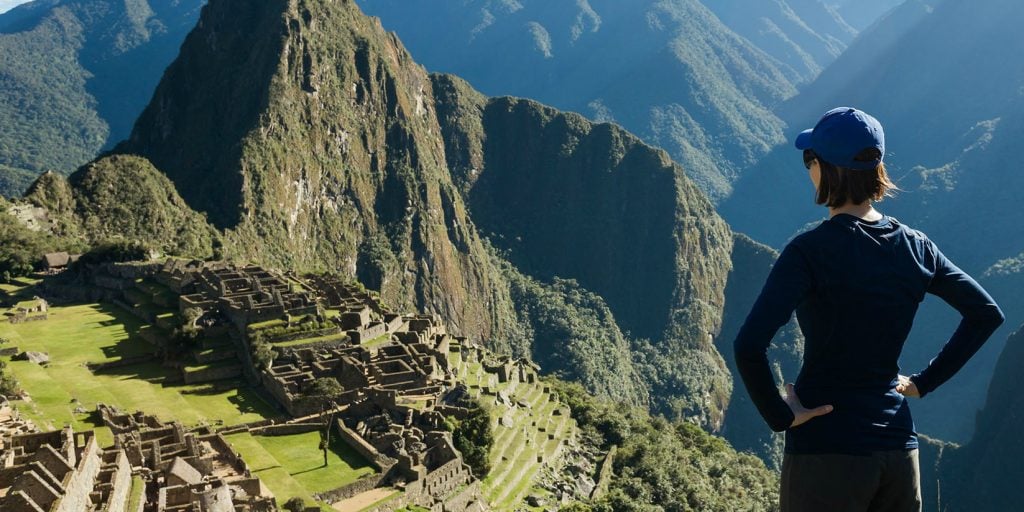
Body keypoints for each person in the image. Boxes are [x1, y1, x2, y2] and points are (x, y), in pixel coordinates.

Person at [733, 107, 1005, 512]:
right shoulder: (917, 247)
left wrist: (780, 415)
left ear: (826, 169)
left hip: (826, 453)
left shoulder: (810, 252)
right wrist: (922, 382)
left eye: (811, 160)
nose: (808, 168)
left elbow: (749, 345)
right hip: (898, 451)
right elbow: (986, 313)